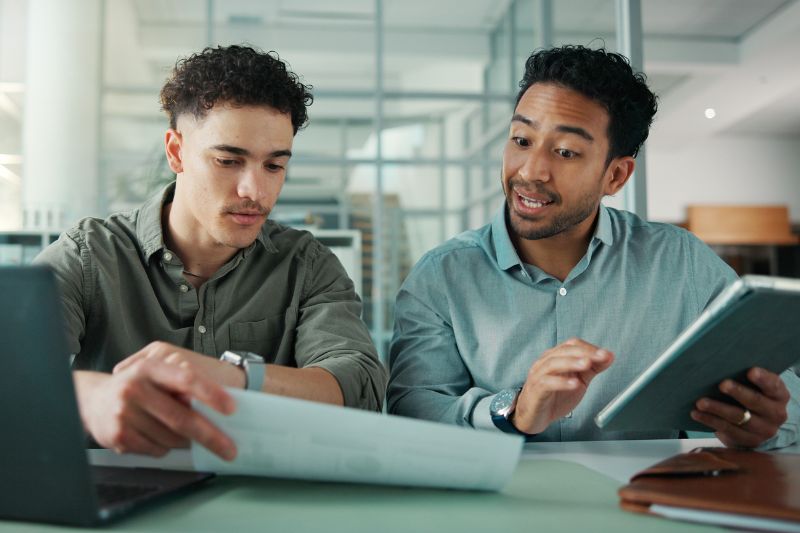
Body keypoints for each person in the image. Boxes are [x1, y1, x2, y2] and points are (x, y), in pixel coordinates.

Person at [387, 45, 798, 449]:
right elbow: (412, 412)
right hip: (501, 492)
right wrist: (513, 410)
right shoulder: (441, 276)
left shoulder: (681, 263)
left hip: (646, 491)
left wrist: (763, 426)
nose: (531, 171)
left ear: (616, 176)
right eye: (522, 140)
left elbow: (786, 398)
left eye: (565, 151)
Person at [35, 45, 387, 461]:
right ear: (176, 152)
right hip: (116, 493)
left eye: (274, 166)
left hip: (261, 493)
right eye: (227, 161)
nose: (254, 191)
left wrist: (238, 378)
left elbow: (360, 384)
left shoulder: (306, 265)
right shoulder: (88, 256)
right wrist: (90, 396)